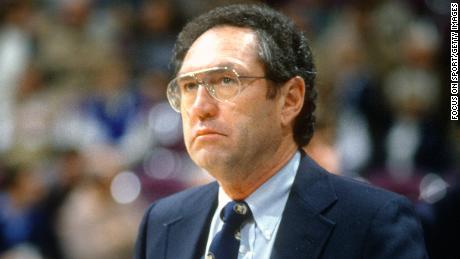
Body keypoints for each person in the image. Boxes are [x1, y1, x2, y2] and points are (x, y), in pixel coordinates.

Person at [135, 4, 427, 259]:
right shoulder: (161, 223)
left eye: (225, 80)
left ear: (290, 100)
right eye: (189, 86)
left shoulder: (372, 222)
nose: (200, 107)